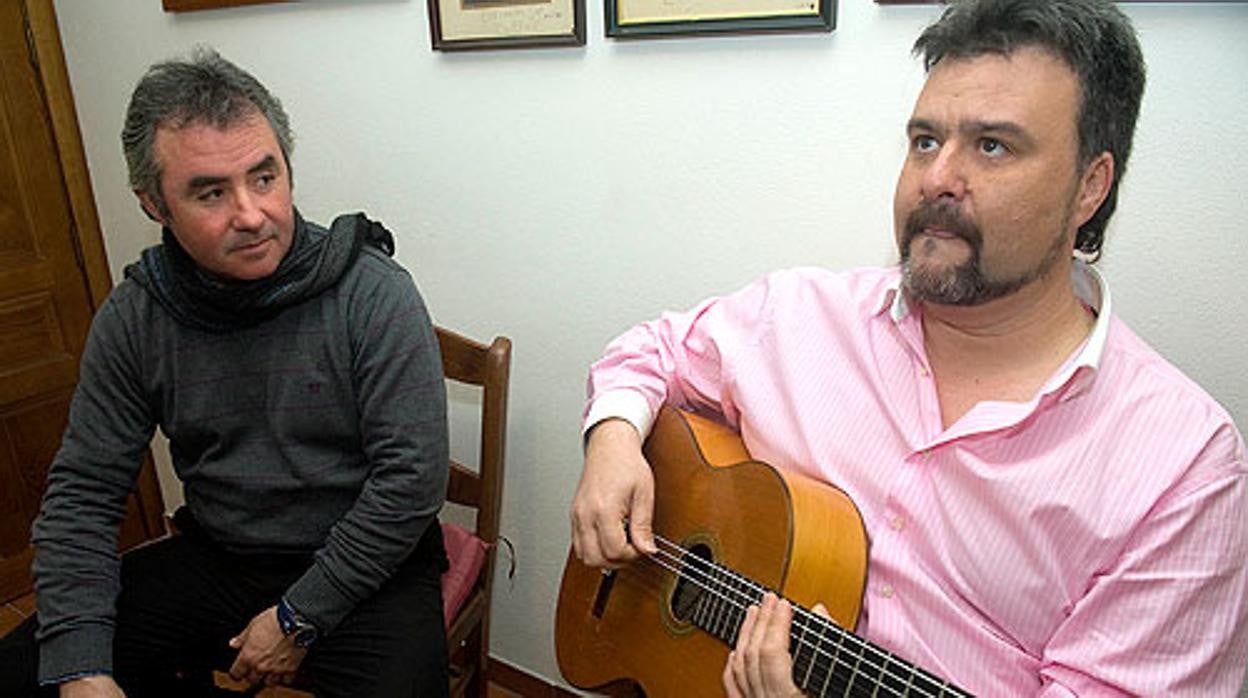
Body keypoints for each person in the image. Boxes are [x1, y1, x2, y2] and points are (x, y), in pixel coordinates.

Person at [569, 0, 1248, 695]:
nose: (936, 178)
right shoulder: (800, 313)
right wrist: (615, 438)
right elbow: (650, 351)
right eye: (925, 140)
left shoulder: (1183, 469)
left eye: (993, 146)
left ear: (1089, 187)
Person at [0, 48, 450, 697]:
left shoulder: (371, 293)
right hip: (223, 556)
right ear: (154, 203)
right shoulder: (137, 316)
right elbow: (83, 497)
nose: (250, 213)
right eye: (211, 192)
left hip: (369, 566)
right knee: (32, 671)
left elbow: (409, 483)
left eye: (264, 178)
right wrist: (81, 668)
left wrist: (299, 618)